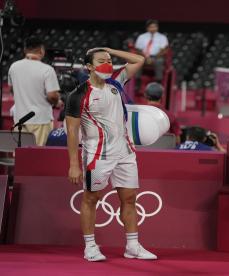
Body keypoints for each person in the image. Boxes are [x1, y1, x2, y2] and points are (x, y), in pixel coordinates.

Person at [65, 47, 157, 261]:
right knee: (91, 198)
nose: (107, 63)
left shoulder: (116, 84)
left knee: (130, 198)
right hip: (97, 155)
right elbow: (72, 131)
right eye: (101, 60)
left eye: (109, 60)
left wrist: (108, 50)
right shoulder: (78, 95)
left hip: (125, 152)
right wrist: (73, 164)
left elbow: (139, 60)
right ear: (89, 66)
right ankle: (90, 247)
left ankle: (132, 246)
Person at [8, 36, 60, 146]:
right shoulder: (47, 69)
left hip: (20, 119)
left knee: (21, 155)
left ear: (25, 50)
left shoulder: (13, 67)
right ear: (41, 50)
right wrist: (57, 102)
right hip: (41, 120)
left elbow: (12, 90)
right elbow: (52, 96)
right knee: (38, 156)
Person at [135, 19, 169, 83]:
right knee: (138, 61)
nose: (153, 28)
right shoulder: (141, 37)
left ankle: (158, 82)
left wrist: (153, 58)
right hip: (144, 57)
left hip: (156, 57)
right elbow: (138, 50)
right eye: (151, 27)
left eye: (155, 27)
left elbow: (163, 50)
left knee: (159, 61)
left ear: (157, 27)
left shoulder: (162, 37)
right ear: (147, 28)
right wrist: (146, 58)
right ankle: (137, 81)